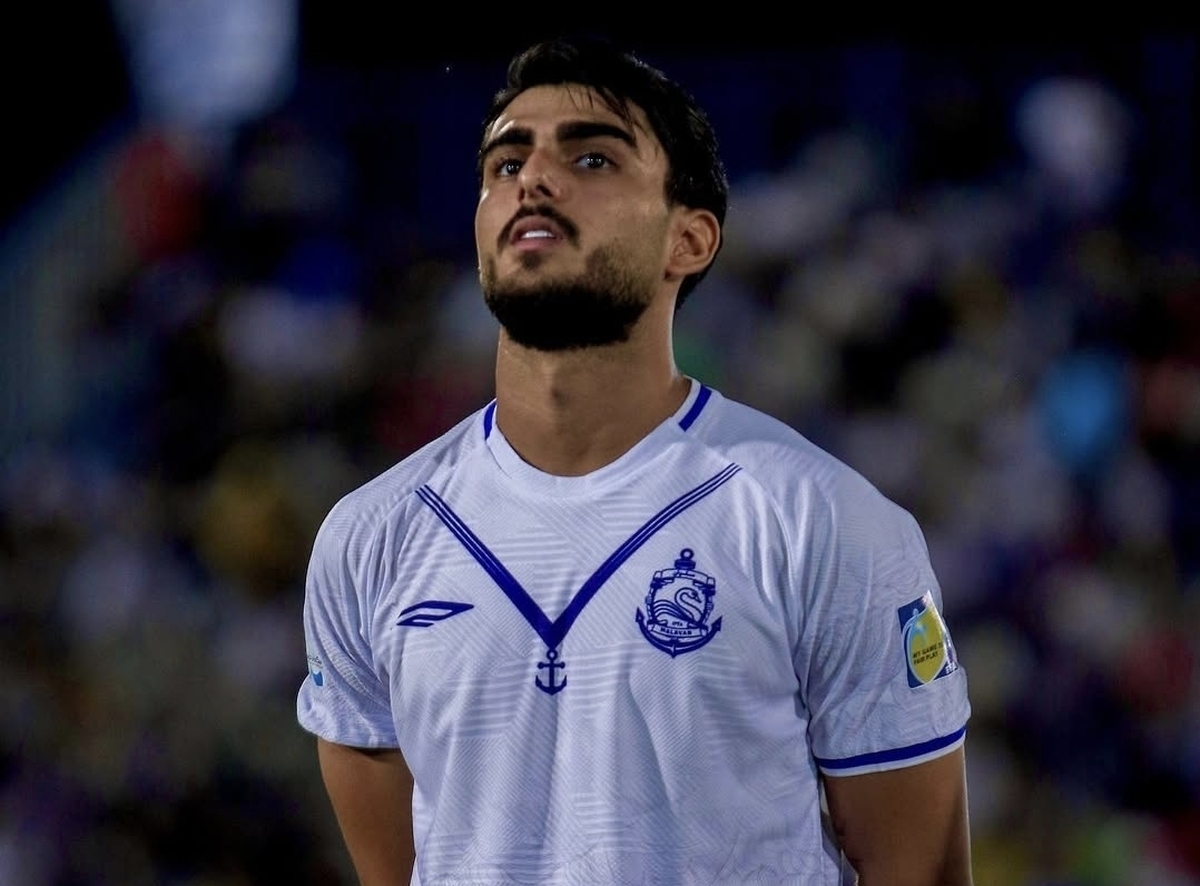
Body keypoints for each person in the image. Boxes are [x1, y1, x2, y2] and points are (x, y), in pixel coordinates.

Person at [298, 36, 973, 886]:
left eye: (592, 157)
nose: (534, 179)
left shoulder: (821, 519)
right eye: (507, 163)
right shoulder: (368, 537)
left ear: (688, 240)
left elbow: (920, 871)